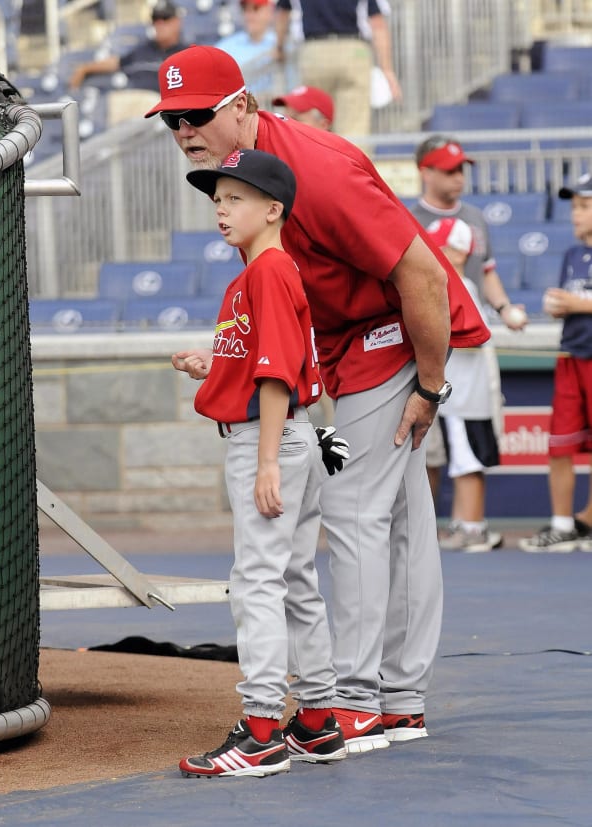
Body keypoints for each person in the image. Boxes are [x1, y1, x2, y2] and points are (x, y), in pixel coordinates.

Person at [145, 45, 490, 751]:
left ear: (241, 107)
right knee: (398, 516)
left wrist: (429, 383)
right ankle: (400, 699)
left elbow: (422, 276)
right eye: (170, 120)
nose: (183, 132)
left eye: (194, 116)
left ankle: (358, 700)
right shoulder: (243, 178)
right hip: (350, 339)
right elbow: (294, 308)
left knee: (353, 508)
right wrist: (226, 354)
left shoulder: (316, 170)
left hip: (394, 331)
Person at [172, 148, 348, 777]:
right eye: (217, 199)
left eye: (236, 198)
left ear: (273, 209)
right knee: (295, 578)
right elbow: (265, 362)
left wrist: (267, 462)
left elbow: (275, 378)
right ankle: (318, 719)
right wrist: (214, 364)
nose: (222, 208)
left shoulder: (267, 271)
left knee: (258, 581)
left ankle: (263, 729)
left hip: (266, 440)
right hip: (288, 435)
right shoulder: (266, 271)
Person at [410, 134, 528, 506]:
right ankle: (417, 530)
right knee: (422, 448)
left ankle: (467, 525)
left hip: (467, 348)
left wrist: (505, 307)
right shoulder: (408, 219)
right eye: (448, 170)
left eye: (461, 169)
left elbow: (486, 272)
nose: (458, 177)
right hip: (422, 349)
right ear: (425, 172)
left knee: (468, 440)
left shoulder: (475, 219)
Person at [519, 173, 592, 552]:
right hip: (570, 358)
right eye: (574, 207)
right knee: (560, 443)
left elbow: (582, 302)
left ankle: (588, 521)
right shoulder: (571, 255)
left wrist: (576, 303)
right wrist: (558, 308)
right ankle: (564, 524)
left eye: (584, 206)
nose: (576, 215)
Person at [426, 218, 503, 552]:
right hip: (456, 397)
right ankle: (461, 523)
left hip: (468, 397)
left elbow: (475, 337)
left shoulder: (464, 287)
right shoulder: (447, 284)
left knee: (468, 462)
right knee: (460, 460)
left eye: (441, 246)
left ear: (458, 252)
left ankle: (474, 527)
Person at [273, 0, 401, 139]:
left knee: (313, 123)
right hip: (353, 50)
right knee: (354, 127)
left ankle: (311, 157)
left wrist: (279, 47)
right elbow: (378, 25)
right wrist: (387, 70)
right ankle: (351, 159)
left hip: (313, 53)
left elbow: (282, 13)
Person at [68, 0, 188, 93]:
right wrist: (85, 69)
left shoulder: (188, 54)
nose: (159, 23)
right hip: (135, 110)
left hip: (166, 114)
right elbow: (117, 62)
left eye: (165, 18)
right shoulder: (143, 50)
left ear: (177, 22)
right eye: (155, 19)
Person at [215, 0, 277, 93]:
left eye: (256, 9)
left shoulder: (281, 44)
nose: (249, 16)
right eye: (245, 10)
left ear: (269, 11)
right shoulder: (226, 46)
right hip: (239, 104)